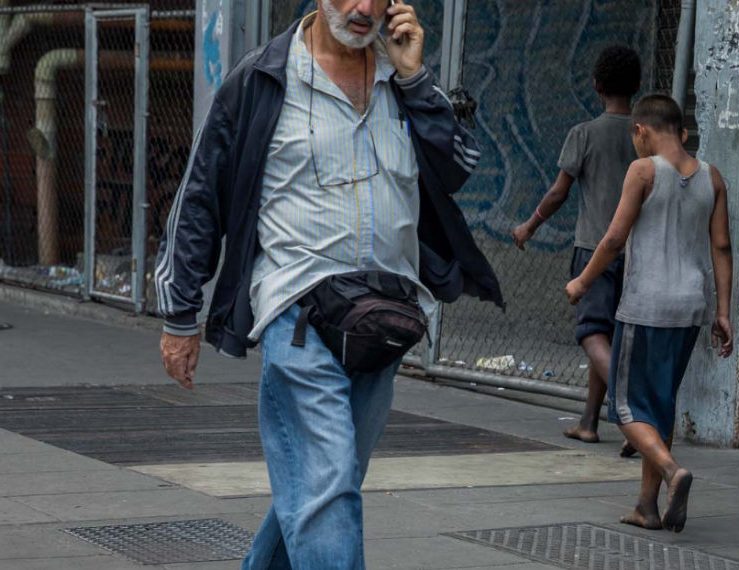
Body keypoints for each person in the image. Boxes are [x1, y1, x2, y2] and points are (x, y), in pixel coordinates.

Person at [154, 1, 502, 567]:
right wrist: (180, 314)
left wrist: (416, 79)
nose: (363, 8)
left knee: (324, 488)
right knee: (326, 490)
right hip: (299, 318)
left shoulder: (401, 77)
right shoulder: (263, 79)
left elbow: (459, 166)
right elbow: (200, 194)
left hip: (386, 319)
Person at [566, 94, 734, 533]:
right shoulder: (712, 178)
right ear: (681, 130)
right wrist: (724, 312)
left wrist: (582, 282)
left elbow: (614, 237)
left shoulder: (642, 171)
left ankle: (671, 469)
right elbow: (721, 247)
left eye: (635, 137)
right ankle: (647, 505)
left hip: (645, 307)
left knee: (626, 408)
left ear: (641, 131)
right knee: (659, 407)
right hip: (690, 308)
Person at [511, 45, 642, 451]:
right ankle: (588, 421)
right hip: (635, 253)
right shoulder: (643, 133)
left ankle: (634, 415)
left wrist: (529, 225)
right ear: (635, 86)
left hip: (594, 250)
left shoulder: (584, 133)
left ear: (596, 85)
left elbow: (557, 193)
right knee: (610, 334)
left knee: (589, 332)